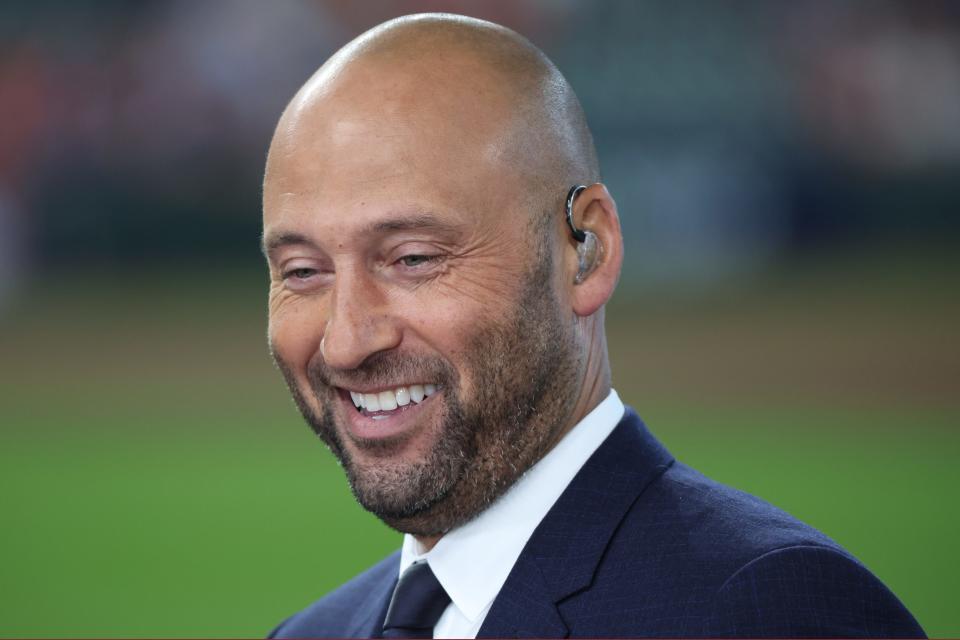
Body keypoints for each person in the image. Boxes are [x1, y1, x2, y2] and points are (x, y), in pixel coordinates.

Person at [260, 13, 924, 639]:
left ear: (586, 252)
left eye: (412, 259)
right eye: (301, 271)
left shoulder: (767, 611)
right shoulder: (312, 632)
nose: (345, 341)